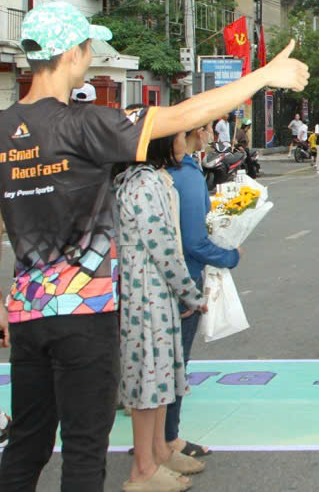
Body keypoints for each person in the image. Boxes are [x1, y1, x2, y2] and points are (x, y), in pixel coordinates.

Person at [0, 1, 307, 491]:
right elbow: (184, 114)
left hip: (27, 312)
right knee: (84, 447)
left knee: (27, 443)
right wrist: (263, 76)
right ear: (73, 54)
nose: (89, 56)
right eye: (88, 48)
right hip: (85, 313)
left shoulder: (4, 128)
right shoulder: (85, 123)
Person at [116, 133, 208, 492]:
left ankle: (159, 451)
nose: (186, 140)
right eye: (181, 135)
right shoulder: (143, 184)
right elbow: (163, 247)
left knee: (161, 376)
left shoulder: (150, 179)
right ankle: (143, 469)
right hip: (146, 293)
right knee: (148, 379)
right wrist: (190, 292)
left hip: (157, 292)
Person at [165, 123, 240, 465]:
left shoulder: (149, 174)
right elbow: (194, 241)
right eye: (206, 127)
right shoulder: (186, 175)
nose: (211, 133)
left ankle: (152, 441)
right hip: (184, 279)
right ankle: (168, 440)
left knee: (157, 363)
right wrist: (229, 255)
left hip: (151, 281)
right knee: (175, 362)